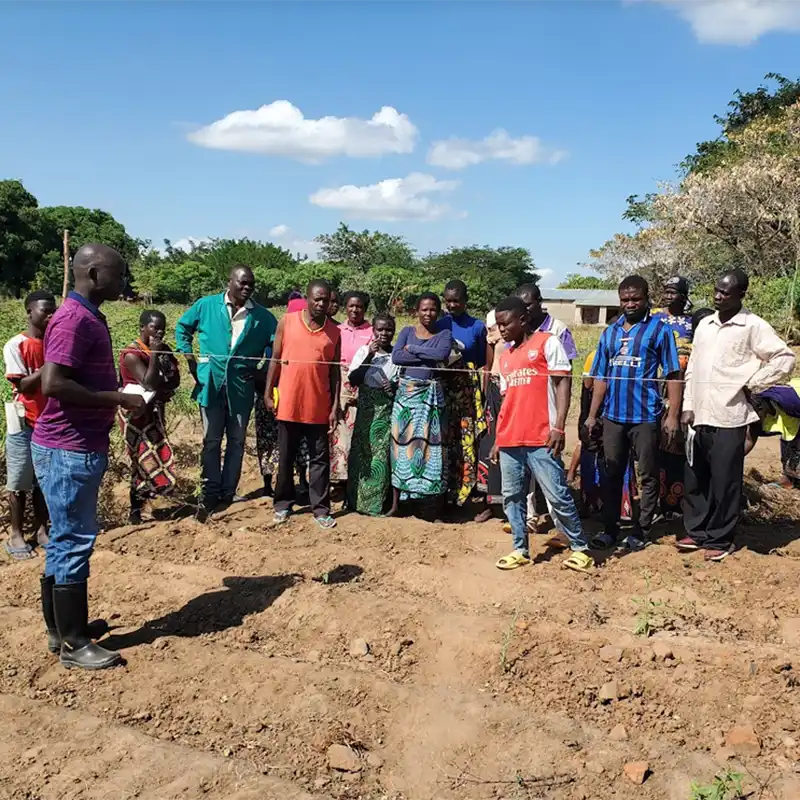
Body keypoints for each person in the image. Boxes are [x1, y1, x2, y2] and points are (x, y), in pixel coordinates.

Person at [32, 243, 145, 670]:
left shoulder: (86, 316)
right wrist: (115, 397)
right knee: (74, 540)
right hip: (67, 448)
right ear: (95, 274)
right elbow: (54, 383)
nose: (123, 282)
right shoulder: (76, 319)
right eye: (118, 274)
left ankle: (62, 630)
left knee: (65, 538)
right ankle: (75, 643)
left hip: (75, 445)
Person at [679, 269, 795, 561]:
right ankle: (698, 531)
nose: (718, 296)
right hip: (699, 415)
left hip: (729, 415)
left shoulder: (753, 326)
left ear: (741, 295)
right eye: (716, 290)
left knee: (724, 481)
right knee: (695, 478)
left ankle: (720, 540)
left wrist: (754, 383)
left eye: (725, 293)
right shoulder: (705, 324)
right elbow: (693, 367)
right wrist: (687, 405)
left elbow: (784, 358)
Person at [491, 297, 593, 573]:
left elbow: (563, 384)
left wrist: (559, 426)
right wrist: (499, 439)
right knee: (512, 497)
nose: (501, 329)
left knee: (557, 494)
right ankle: (520, 549)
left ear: (523, 320)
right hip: (511, 438)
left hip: (541, 437)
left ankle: (581, 548)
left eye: (505, 323)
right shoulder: (507, 358)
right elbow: (506, 402)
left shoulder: (547, 343)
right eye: (498, 324)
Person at [587, 275, 682, 552]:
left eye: (635, 299)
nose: (630, 304)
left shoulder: (659, 330)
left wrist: (672, 415)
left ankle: (641, 530)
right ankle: (610, 529)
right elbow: (601, 378)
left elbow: (674, 374)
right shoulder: (611, 331)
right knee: (612, 472)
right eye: (625, 299)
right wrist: (593, 415)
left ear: (646, 298)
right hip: (613, 416)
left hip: (645, 416)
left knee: (649, 475)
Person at [175, 266, 277, 520]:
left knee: (237, 440)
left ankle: (228, 491)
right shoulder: (206, 305)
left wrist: (260, 370)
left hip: (241, 387)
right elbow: (182, 327)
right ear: (229, 282)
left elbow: (275, 347)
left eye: (251, 284)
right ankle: (209, 492)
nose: (247, 288)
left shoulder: (263, 317)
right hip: (210, 382)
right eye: (242, 283)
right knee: (211, 439)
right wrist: (189, 357)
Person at [265, 279, 341, 529]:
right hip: (288, 403)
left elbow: (334, 374)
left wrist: (334, 407)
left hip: (318, 406)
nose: (321, 304)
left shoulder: (334, 331)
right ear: (307, 298)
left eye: (326, 300)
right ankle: (283, 504)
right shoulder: (287, 322)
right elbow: (275, 359)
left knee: (319, 459)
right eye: (317, 299)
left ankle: (320, 509)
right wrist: (268, 392)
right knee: (285, 457)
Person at [515, 283, 579, 531]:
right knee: (524, 468)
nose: (525, 310)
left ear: (540, 302)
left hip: (549, 409)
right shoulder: (519, 329)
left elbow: (566, 377)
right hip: (526, 410)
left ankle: (563, 526)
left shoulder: (557, 330)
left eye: (529, 305)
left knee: (550, 468)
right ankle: (529, 517)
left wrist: (560, 422)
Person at [3, 290, 56, 560]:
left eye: (52, 311)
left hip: (49, 421)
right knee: (19, 480)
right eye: (43, 311)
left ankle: (41, 529)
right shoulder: (16, 344)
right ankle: (15, 533)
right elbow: (22, 384)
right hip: (24, 421)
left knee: (42, 482)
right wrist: (49, 366)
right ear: (29, 312)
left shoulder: (54, 342)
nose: (49, 316)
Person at [391, 293, 453, 513]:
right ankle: (398, 504)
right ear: (416, 311)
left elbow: (442, 353)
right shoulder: (407, 331)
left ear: (439, 311)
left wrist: (414, 349)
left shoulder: (445, 334)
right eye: (424, 309)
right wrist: (429, 356)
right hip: (407, 396)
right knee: (401, 446)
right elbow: (397, 357)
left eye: (433, 309)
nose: (428, 314)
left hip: (432, 399)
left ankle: (433, 508)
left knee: (433, 449)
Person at [118, 310, 181, 524]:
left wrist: (162, 378)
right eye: (155, 327)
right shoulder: (131, 354)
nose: (159, 332)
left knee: (156, 455)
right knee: (140, 460)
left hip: (154, 410)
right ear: (142, 328)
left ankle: (151, 500)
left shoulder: (164, 349)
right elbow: (148, 382)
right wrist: (155, 355)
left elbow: (174, 380)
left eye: (162, 328)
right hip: (135, 415)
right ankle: (135, 511)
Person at [567, 348, 636, 523]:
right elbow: (588, 386)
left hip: (614, 414)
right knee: (595, 457)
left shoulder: (610, 356)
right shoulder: (595, 355)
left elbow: (588, 384)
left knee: (614, 458)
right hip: (598, 413)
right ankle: (592, 504)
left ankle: (617, 507)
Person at [438, 279, 487, 506]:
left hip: (468, 390)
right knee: (445, 439)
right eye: (448, 301)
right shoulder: (439, 324)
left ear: (465, 301)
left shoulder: (477, 327)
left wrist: (483, 395)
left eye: (456, 300)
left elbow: (482, 364)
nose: (452, 305)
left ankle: (466, 490)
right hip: (443, 389)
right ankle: (443, 490)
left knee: (467, 440)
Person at [347, 313, 400, 516]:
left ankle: (375, 504)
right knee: (362, 453)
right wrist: (370, 355)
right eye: (380, 330)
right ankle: (354, 501)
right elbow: (354, 378)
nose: (384, 334)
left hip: (386, 411)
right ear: (373, 331)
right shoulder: (364, 351)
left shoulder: (397, 355)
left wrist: (392, 386)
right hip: (366, 412)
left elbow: (401, 382)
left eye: (388, 330)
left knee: (381, 457)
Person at [651, 276, 694, 521]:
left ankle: (675, 503)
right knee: (657, 443)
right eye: (666, 291)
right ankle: (657, 501)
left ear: (684, 295)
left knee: (678, 443)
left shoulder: (693, 321)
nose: (669, 296)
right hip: (656, 389)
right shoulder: (654, 316)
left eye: (674, 292)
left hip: (684, 389)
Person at [331, 291, 373, 484]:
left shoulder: (372, 332)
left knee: (358, 431)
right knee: (339, 430)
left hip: (362, 383)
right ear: (345, 307)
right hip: (339, 383)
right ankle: (338, 477)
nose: (355, 310)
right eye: (351, 306)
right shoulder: (337, 330)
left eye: (359, 307)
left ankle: (356, 477)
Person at [475, 309, 506, 522]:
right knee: (490, 444)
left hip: (515, 391)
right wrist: (485, 395)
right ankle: (490, 502)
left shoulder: (522, 334)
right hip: (495, 391)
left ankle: (510, 504)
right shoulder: (493, 332)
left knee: (510, 447)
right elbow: (488, 366)